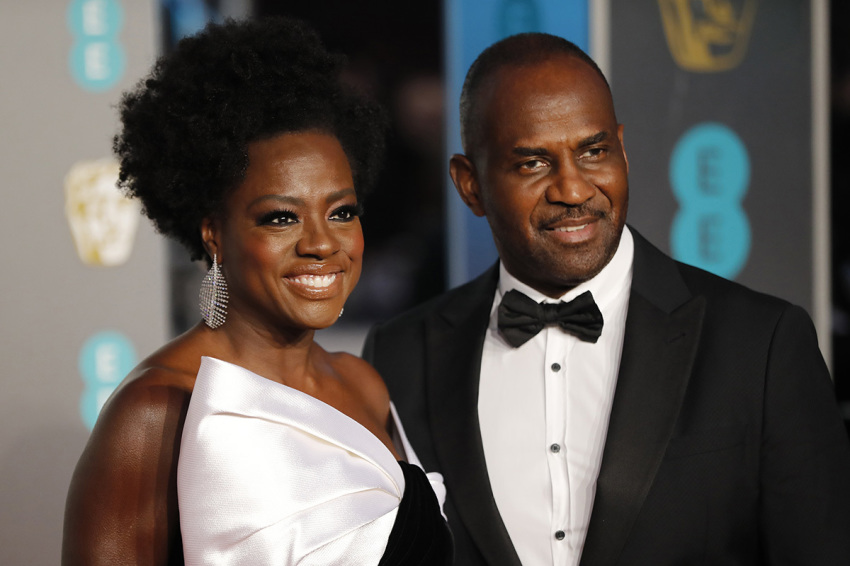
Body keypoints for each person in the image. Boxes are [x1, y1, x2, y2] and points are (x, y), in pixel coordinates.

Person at [363, 32, 850, 565]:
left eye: (593, 152)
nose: (573, 189)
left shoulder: (762, 345)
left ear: (622, 148)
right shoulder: (401, 357)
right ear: (470, 185)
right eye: (532, 163)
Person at [62, 18, 452, 565]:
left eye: (342, 212)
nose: (322, 243)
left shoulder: (364, 384)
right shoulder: (158, 410)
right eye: (280, 218)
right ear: (214, 233)